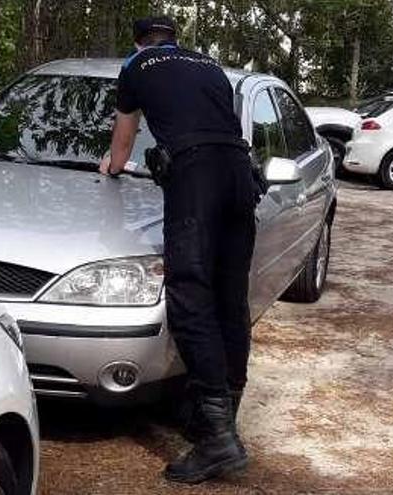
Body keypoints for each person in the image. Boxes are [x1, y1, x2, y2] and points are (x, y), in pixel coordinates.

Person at [99, 16, 257, 484]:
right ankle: (221, 417)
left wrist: (110, 165)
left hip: (196, 178)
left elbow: (123, 149)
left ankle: (216, 440)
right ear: (175, 40)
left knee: (189, 299)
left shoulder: (135, 67)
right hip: (239, 176)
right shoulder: (210, 67)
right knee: (231, 299)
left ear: (138, 43)